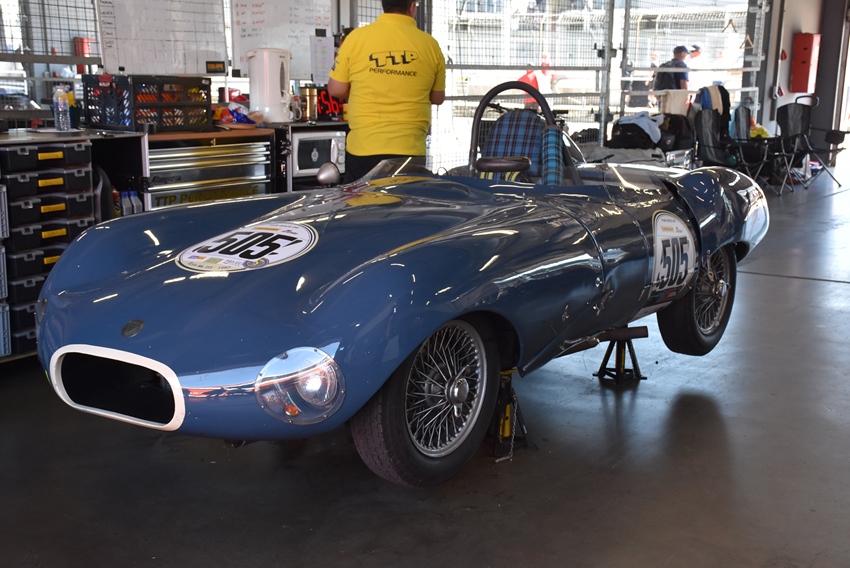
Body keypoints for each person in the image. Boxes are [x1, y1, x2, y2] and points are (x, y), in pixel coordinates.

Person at [328, 0, 446, 182]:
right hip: (410, 150)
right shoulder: (430, 45)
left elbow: (336, 89)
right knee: (404, 199)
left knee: (363, 199)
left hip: (364, 148)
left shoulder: (356, 38)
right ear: (412, 7)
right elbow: (437, 97)